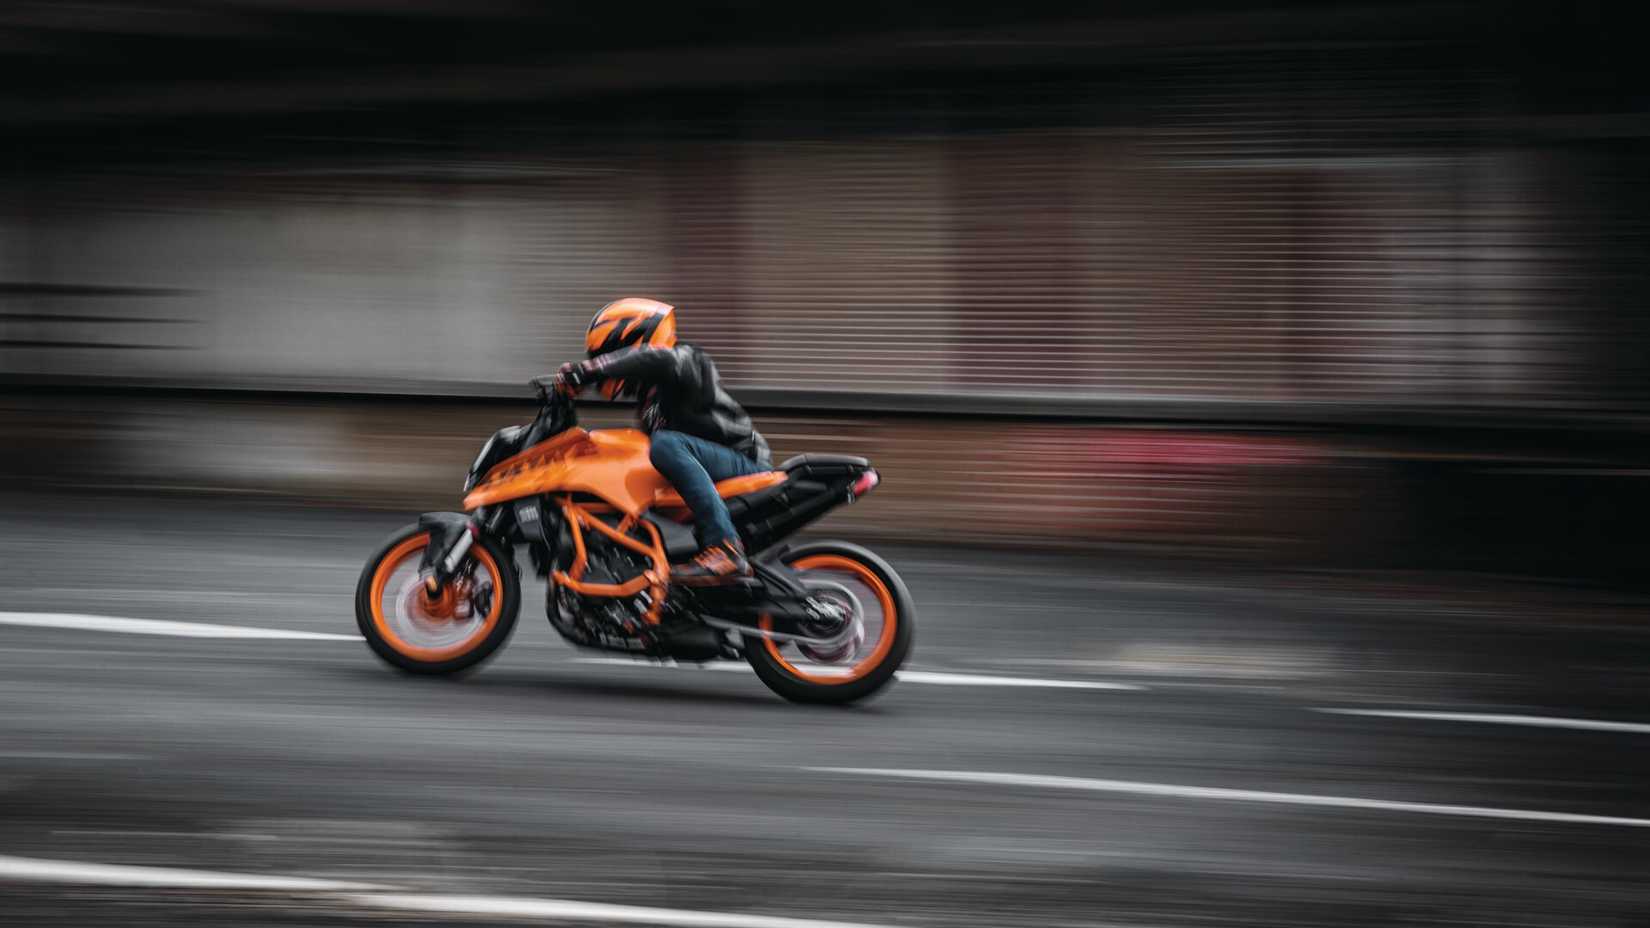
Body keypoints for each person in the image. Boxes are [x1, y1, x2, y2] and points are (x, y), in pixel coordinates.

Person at [549, 297, 771, 585]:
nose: (605, 361)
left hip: (744, 462)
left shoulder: (686, 359)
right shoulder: (650, 405)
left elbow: (656, 358)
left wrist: (592, 370)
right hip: (712, 471)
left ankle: (726, 547)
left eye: (607, 353)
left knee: (665, 444)